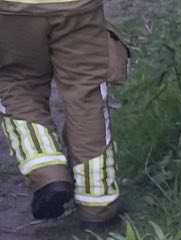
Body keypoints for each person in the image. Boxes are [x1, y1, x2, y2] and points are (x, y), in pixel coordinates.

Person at [0, 0, 128, 226]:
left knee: (17, 85)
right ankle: (98, 200)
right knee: (86, 94)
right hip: (77, 8)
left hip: (12, 11)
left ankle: (47, 174)